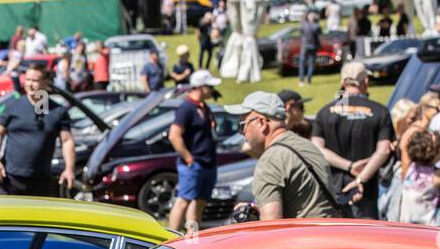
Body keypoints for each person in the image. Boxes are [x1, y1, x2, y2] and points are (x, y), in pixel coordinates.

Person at [225, 90, 336, 220]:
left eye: (242, 125)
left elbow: (271, 226)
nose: (242, 132)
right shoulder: (307, 146)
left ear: (261, 123)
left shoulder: (270, 160)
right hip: (328, 233)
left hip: (300, 238)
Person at [312, 61, 395, 219]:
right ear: (366, 81)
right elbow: (384, 150)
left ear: (342, 82)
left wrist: (348, 166)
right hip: (367, 189)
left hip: (334, 190)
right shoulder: (380, 111)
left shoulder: (324, 113)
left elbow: (317, 150)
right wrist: (360, 178)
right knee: (367, 239)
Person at [0, 62, 75, 197]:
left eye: (35, 80)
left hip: (41, 181)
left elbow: (67, 141)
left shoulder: (58, 111)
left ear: (46, 82)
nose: (30, 84)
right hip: (10, 178)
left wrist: (69, 169)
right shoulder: (14, 106)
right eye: (28, 79)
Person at [167, 69, 222, 233]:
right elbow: (174, 136)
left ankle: (192, 237)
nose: (212, 90)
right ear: (200, 87)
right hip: (194, 164)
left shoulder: (204, 107)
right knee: (183, 200)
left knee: (199, 201)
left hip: (208, 162)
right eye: (209, 86)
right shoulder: (186, 108)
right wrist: (188, 158)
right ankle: (170, 239)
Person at [399, 130, 440, 228]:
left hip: (405, 226)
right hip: (430, 228)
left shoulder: (409, 168)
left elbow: (403, 146)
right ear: (434, 151)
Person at [298, 10, 321, 87]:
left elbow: (301, 32)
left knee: (302, 63)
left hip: (305, 46)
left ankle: (302, 80)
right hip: (313, 46)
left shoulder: (304, 24)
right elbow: (320, 34)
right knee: (310, 63)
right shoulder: (316, 25)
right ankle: (309, 80)